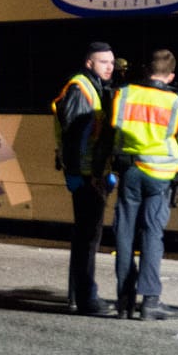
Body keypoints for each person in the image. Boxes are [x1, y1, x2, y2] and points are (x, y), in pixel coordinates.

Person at [109, 48, 178, 320]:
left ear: (146, 70)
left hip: (130, 171)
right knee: (152, 235)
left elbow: (110, 131)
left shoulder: (124, 94)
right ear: (170, 76)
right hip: (160, 176)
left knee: (124, 234)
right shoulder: (176, 103)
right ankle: (150, 301)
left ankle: (125, 300)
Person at [51, 41, 117, 317]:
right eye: (104, 62)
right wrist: (77, 175)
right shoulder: (81, 88)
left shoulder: (94, 87)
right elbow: (74, 136)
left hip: (93, 174)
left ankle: (78, 296)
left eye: (111, 62)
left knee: (86, 236)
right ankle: (86, 298)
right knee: (87, 238)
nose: (110, 67)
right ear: (89, 63)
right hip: (88, 176)